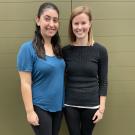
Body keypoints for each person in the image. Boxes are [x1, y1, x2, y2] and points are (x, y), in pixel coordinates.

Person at [17, 2, 65, 135]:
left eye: (55, 20)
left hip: (58, 107)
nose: (52, 24)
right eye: (47, 18)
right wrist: (30, 111)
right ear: (38, 20)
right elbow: (25, 83)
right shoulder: (27, 49)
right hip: (40, 107)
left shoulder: (58, 49)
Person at [62, 6, 108, 135]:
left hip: (92, 105)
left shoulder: (100, 50)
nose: (79, 27)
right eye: (76, 23)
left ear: (90, 24)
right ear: (71, 25)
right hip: (70, 104)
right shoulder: (65, 51)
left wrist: (101, 109)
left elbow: (103, 81)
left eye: (83, 23)